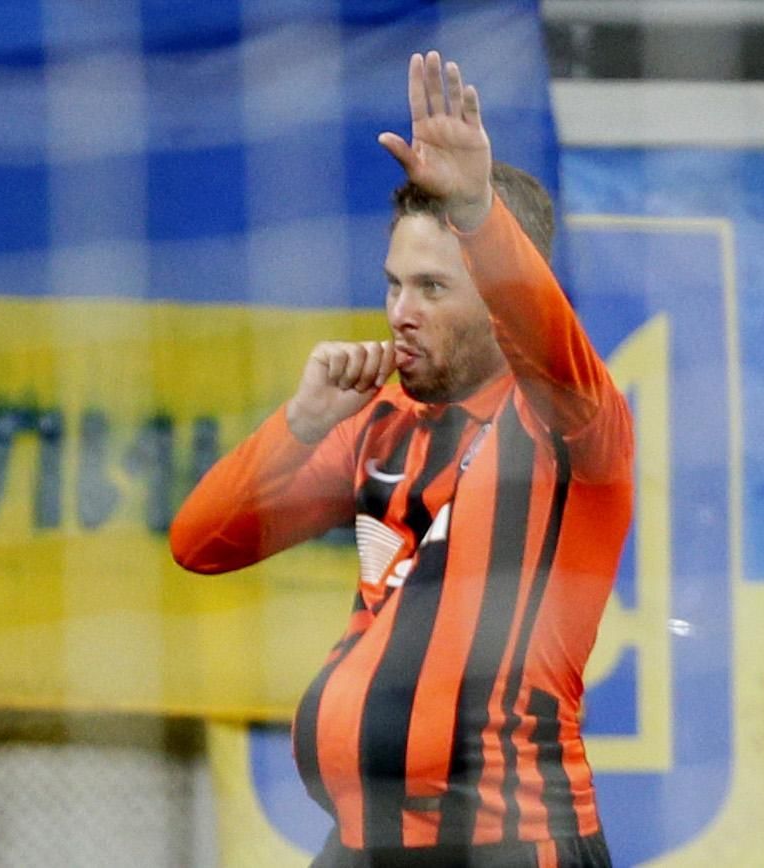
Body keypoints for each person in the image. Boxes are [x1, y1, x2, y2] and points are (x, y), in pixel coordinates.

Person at [170, 50, 633, 867]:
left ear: (496, 292)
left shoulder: (570, 419)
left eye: (431, 288)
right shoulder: (379, 420)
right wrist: (302, 421)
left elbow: (543, 330)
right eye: (393, 285)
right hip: (363, 844)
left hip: (508, 844)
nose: (399, 313)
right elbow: (200, 545)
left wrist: (475, 209)